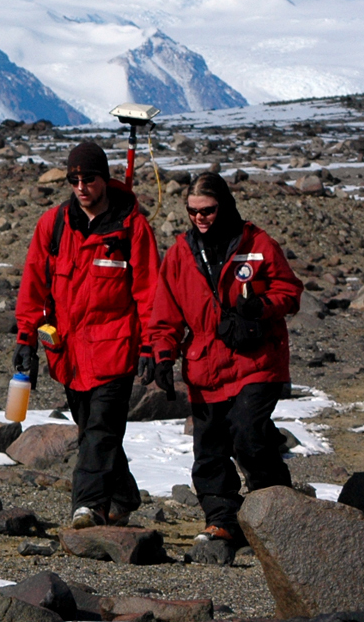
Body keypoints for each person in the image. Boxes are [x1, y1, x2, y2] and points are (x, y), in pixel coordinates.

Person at [146, 171, 301, 547]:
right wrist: (163, 356)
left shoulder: (258, 243)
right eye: (193, 211)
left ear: (225, 206)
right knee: (210, 450)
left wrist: (260, 306)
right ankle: (222, 521)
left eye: (208, 210)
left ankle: (276, 509)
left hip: (256, 360)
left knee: (248, 435)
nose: (200, 218)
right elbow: (165, 314)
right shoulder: (181, 253)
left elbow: (290, 292)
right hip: (205, 365)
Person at [15, 141, 160, 529]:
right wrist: (25, 338)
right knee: (96, 431)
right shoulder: (55, 224)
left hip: (116, 351)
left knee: (98, 431)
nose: (81, 187)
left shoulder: (131, 227)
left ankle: (87, 506)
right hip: (69, 355)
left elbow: (148, 290)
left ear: (105, 178)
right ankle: (124, 495)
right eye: (74, 179)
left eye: (89, 179)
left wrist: (152, 343)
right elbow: (34, 283)